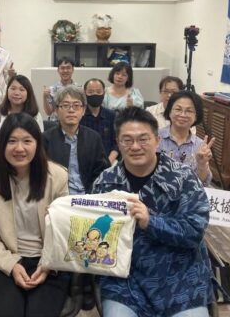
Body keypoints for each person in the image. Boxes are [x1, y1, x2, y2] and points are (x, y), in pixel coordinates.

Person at [92, 107, 213, 317]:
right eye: (127, 140)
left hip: (181, 279)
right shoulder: (105, 182)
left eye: (143, 139)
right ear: (118, 143)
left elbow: (195, 230)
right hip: (124, 282)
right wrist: (60, 217)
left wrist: (151, 222)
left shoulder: (183, 177)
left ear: (157, 141)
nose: (135, 146)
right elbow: (93, 234)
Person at [0, 113, 70, 317]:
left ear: (37, 144)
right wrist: (12, 265)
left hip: (47, 260)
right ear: (2, 145)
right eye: (12, 141)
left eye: (27, 141)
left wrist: (47, 264)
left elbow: (63, 229)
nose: (19, 148)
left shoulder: (58, 176)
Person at [43, 86, 108, 194]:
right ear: (56, 110)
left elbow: (102, 172)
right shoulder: (45, 139)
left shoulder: (93, 138)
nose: (71, 110)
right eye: (65, 105)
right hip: (58, 197)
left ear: (83, 110)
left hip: (88, 196)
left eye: (76, 106)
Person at [158, 91, 214, 185]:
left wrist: (202, 165)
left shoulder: (200, 146)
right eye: (178, 109)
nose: (183, 114)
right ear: (169, 112)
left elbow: (202, 183)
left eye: (189, 111)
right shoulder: (155, 138)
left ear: (196, 116)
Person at [80, 78, 118, 164]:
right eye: (90, 92)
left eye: (98, 91)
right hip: (85, 162)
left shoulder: (111, 115)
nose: (95, 94)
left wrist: (108, 162)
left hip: (109, 161)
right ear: (85, 93)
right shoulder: (79, 116)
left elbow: (116, 142)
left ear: (104, 93)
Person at [43, 57, 79, 121]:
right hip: (55, 123)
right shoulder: (52, 89)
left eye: (68, 68)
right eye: (62, 68)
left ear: (73, 70)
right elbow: (49, 112)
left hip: (73, 122)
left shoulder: (79, 89)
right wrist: (44, 97)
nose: (65, 71)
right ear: (58, 70)